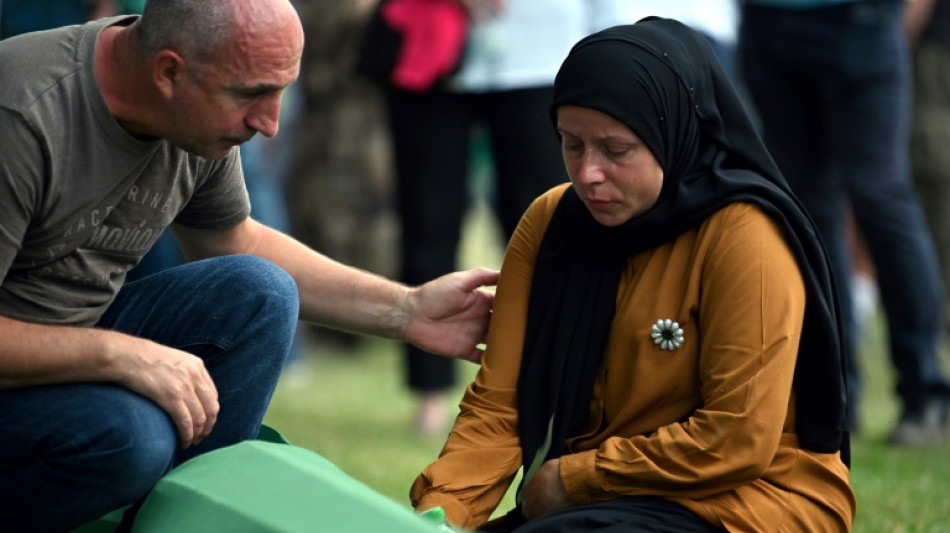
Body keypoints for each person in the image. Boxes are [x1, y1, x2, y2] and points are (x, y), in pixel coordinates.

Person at [0, 0, 498, 530]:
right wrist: (117, 354)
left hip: (66, 343)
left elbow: (234, 242)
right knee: (133, 436)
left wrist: (406, 310)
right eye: (252, 94)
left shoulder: (195, 106)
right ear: (169, 71)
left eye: (281, 90)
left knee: (260, 291)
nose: (271, 123)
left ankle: (186, 518)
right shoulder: (24, 114)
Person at [409, 18, 854, 532]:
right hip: (608, 504)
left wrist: (575, 478)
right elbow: (496, 408)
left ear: (673, 136)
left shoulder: (744, 234)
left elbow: (738, 437)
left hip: (754, 502)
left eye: (615, 151)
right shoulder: (550, 222)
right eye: (570, 144)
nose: (587, 173)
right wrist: (438, 518)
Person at [378, 0, 629, 436]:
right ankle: (431, 394)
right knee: (428, 221)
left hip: (542, 53)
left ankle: (560, 386)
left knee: (554, 225)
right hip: (432, 50)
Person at [739, 0, 950, 445]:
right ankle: (832, 396)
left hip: (858, 18)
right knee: (805, 210)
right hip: (768, 20)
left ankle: (925, 393)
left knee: (880, 197)